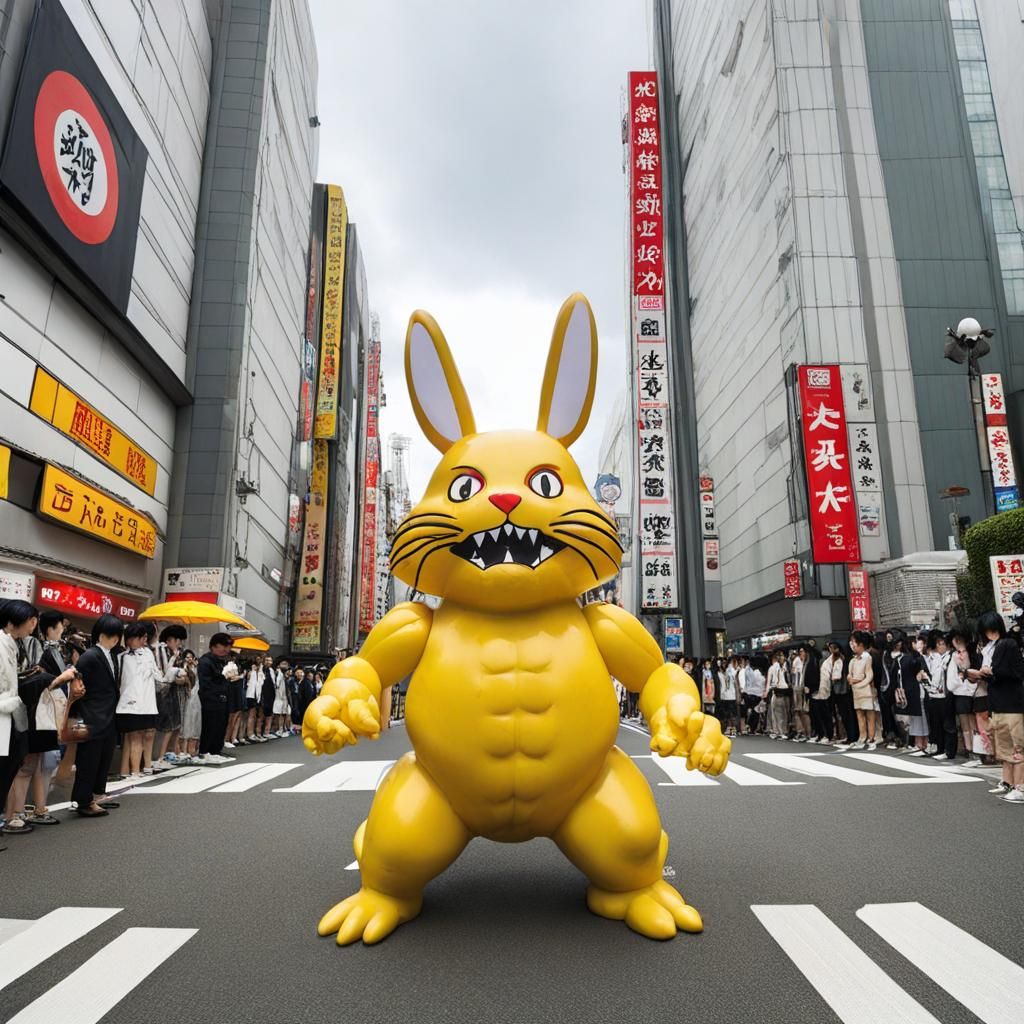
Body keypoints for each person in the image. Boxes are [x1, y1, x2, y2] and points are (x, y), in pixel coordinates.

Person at [72, 614, 125, 818]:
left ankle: (96, 794)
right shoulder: (90, 656)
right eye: (112, 635)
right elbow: (78, 687)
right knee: (89, 759)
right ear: (101, 635)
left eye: (117, 635)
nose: (115, 639)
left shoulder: (110, 655)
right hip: (92, 715)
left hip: (108, 715)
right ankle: (84, 801)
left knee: (104, 757)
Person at [975, 612, 1024, 801]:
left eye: (990, 630)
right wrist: (982, 674)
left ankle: (1020, 786)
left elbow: (1017, 672)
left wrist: (992, 671)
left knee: (1017, 747)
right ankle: (1007, 782)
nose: (989, 634)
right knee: (1003, 748)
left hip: (1012, 703)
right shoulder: (989, 648)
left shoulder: (1009, 644)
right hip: (997, 702)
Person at [2, 601, 39, 835]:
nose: (33, 626)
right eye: (31, 620)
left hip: (12, 717)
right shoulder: (1, 644)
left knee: (8, 770)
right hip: (5, 713)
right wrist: (10, 701)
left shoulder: (13, 645)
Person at [115, 622, 163, 777]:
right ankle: (134, 771)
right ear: (129, 639)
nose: (144, 641)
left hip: (147, 704)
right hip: (129, 704)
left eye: (145, 638)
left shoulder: (148, 653)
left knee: (143, 735)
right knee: (134, 736)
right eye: (140, 638)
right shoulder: (121, 657)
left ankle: (138, 769)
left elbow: (158, 675)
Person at [154, 625, 189, 766]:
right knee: (166, 726)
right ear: (170, 640)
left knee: (173, 725)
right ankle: (159, 757)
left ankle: (167, 754)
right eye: (178, 640)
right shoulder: (161, 650)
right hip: (163, 692)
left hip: (172, 692)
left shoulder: (173, 652)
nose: (180, 644)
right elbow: (164, 674)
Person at [198, 634, 234, 765]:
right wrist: (222, 677)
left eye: (229, 646)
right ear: (214, 646)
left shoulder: (223, 661)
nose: (226, 649)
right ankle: (205, 751)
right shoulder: (205, 661)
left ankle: (215, 751)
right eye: (224, 646)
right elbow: (205, 683)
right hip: (210, 700)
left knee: (221, 726)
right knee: (210, 726)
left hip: (223, 699)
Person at [947, 628, 980, 764]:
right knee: (966, 725)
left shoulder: (970, 653)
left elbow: (968, 669)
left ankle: (977, 752)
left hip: (971, 691)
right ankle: (970, 750)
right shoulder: (954, 655)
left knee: (973, 725)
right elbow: (953, 678)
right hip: (961, 693)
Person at [846, 630, 878, 750]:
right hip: (856, 690)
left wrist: (858, 683)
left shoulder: (867, 657)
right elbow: (849, 674)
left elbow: (869, 675)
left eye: (854, 642)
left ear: (861, 644)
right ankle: (862, 737)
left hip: (866, 690)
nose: (852, 645)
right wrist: (850, 679)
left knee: (869, 714)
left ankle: (871, 739)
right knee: (859, 714)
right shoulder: (853, 659)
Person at [178, 650, 202, 763]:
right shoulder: (183, 668)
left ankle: (192, 750)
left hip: (195, 697)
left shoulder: (195, 668)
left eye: (191, 657)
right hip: (186, 698)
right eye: (187, 657)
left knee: (194, 722)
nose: (189, 659)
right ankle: (183, 750)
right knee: (186, 722)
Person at [765, 650, 792, 740]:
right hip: (777, 691)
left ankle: (784, 731)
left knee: (786, 713)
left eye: (781, 656)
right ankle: (779, 731)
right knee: (777, 713)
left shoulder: (788, 666)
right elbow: (769, 681)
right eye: (778, 656)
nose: (780, 658)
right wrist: (766, 691)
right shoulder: (773, 667)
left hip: (787, 691)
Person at [791, 646, 811, 742]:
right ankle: (801, 731)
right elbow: (794, 674)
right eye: (800, 651)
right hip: (797, 687)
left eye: (803, 651)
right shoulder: (797, 661)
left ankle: (808, 732)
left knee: (805, 711)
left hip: (805, 688)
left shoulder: (809, 662)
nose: (801, 653)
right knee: (798, 710)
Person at [716, 658, 738, 737]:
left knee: (730, 715)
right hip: (727, 696)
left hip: (729, 696)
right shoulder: (722, 673)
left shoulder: (729, 672)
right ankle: (730, 730)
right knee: (728, 715)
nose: (723, 665)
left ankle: (731, 731)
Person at [272, 659, 291, 737]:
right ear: (279, 665)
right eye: (283, 663)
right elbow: (275, 685)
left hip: (284, 698)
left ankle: (282, 729)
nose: (285, 665)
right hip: (277, 697)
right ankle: (276, 730)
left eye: (286, 664)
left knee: (284, 714)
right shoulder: (276, 673)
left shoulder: (285, 675)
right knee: (277, 714)